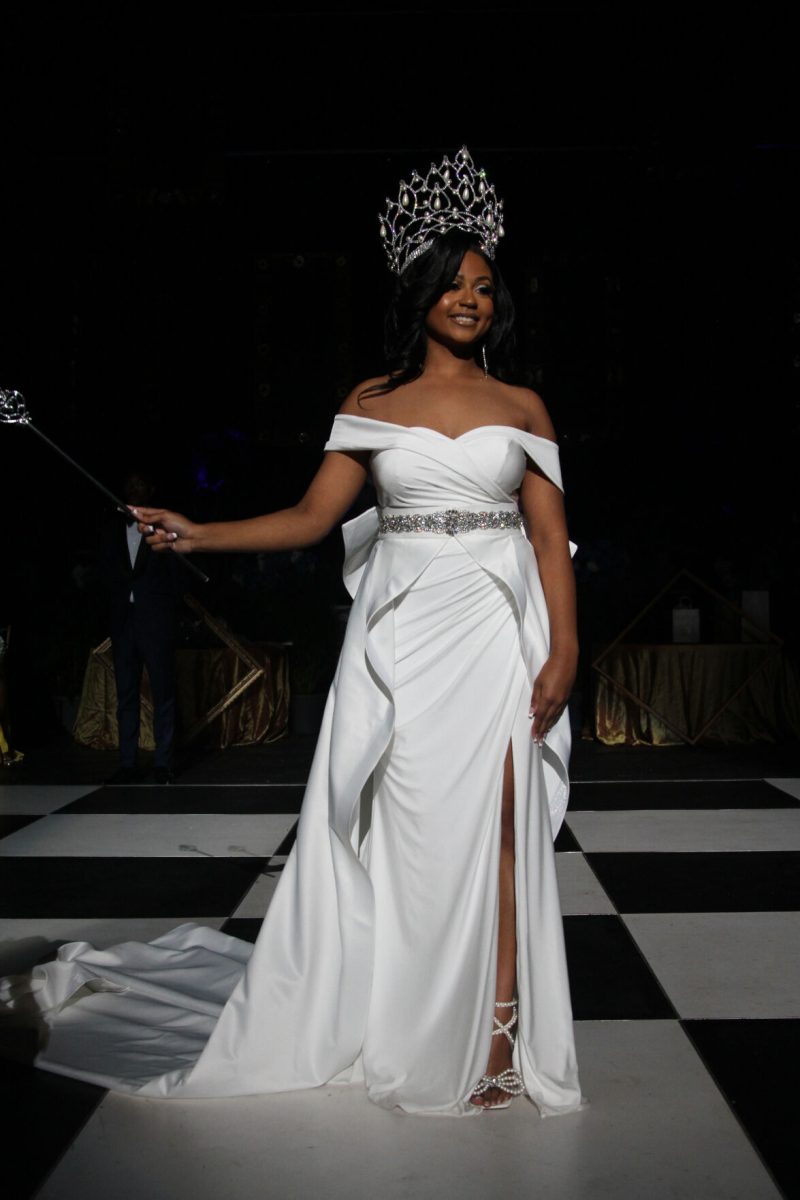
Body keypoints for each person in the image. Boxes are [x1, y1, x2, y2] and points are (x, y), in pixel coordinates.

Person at [1, 149, 583, 1117]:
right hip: (401, 637)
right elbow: (312, 520)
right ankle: (403, 1014)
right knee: (410, 835)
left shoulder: (522, 407)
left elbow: (553, 542)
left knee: (502, 829)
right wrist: (198, 529)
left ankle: (496, 1038)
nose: (469, 298)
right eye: (451, 283)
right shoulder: (368, 402)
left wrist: (561, 652)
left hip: (495, 628)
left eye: (484, 285)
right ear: (419, 293)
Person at [102, 470, 178, 784]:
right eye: (130, 484)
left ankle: (164, 763)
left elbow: (175, 575)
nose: (134, 489)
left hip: (155, 620)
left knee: (163, 692)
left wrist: (169, 613)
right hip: (124, 622)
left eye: (140, 484)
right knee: (126, 694)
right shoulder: (111, 529)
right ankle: (128, 764)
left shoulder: (162, 527)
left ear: (150, 489)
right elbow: (105, 573)